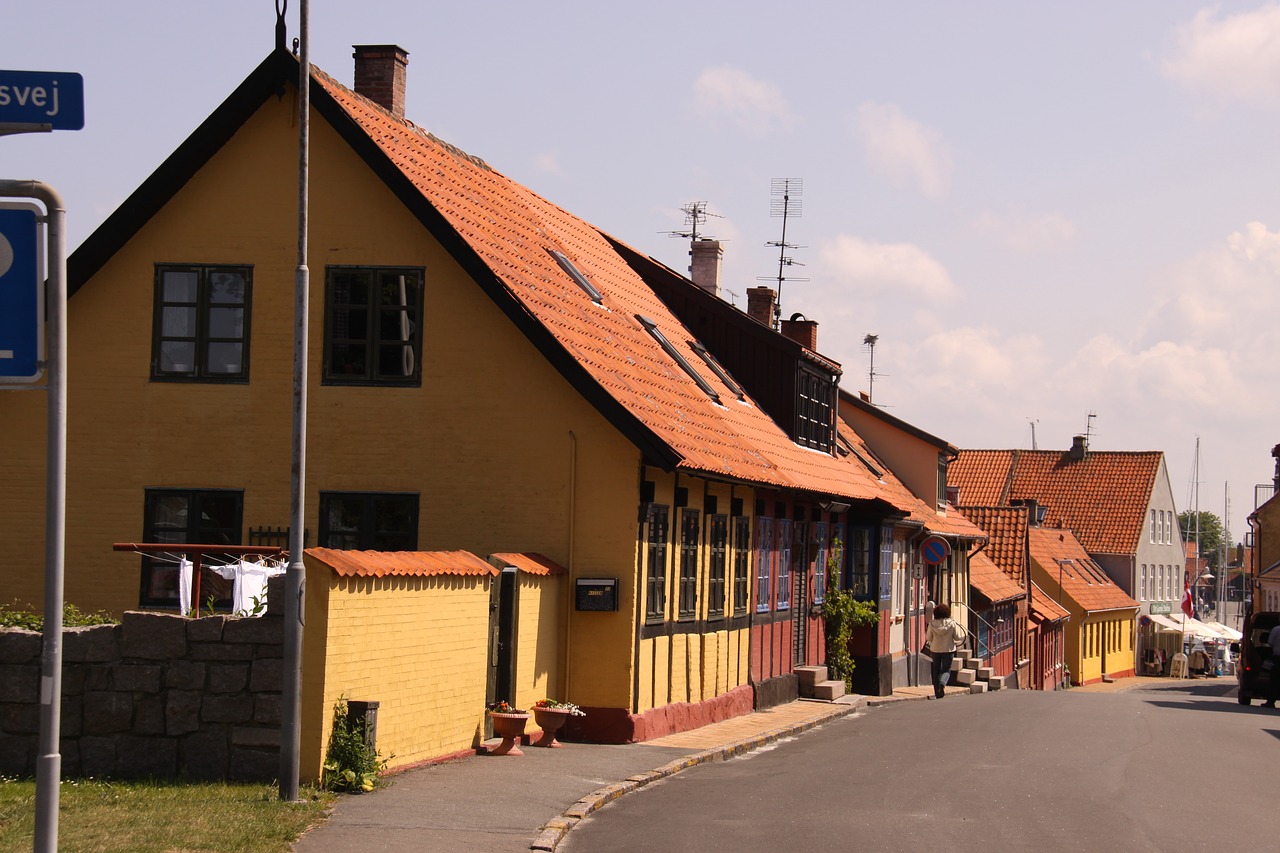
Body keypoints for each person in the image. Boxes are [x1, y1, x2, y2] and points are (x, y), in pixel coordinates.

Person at [925, 603, 967, 699]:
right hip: (948, 649)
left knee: (936, 670)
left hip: (935, 649)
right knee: (946, 670)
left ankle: (937, 692)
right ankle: (942, 684)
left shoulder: (931, 624)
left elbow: (928, 638)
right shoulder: (952, 623)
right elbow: (957, 637)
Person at [1263, 622, 1280, 709]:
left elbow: (1270, 643)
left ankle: (1270, 702)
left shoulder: (1276, 629)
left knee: (1275, 681)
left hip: (1277, 658)